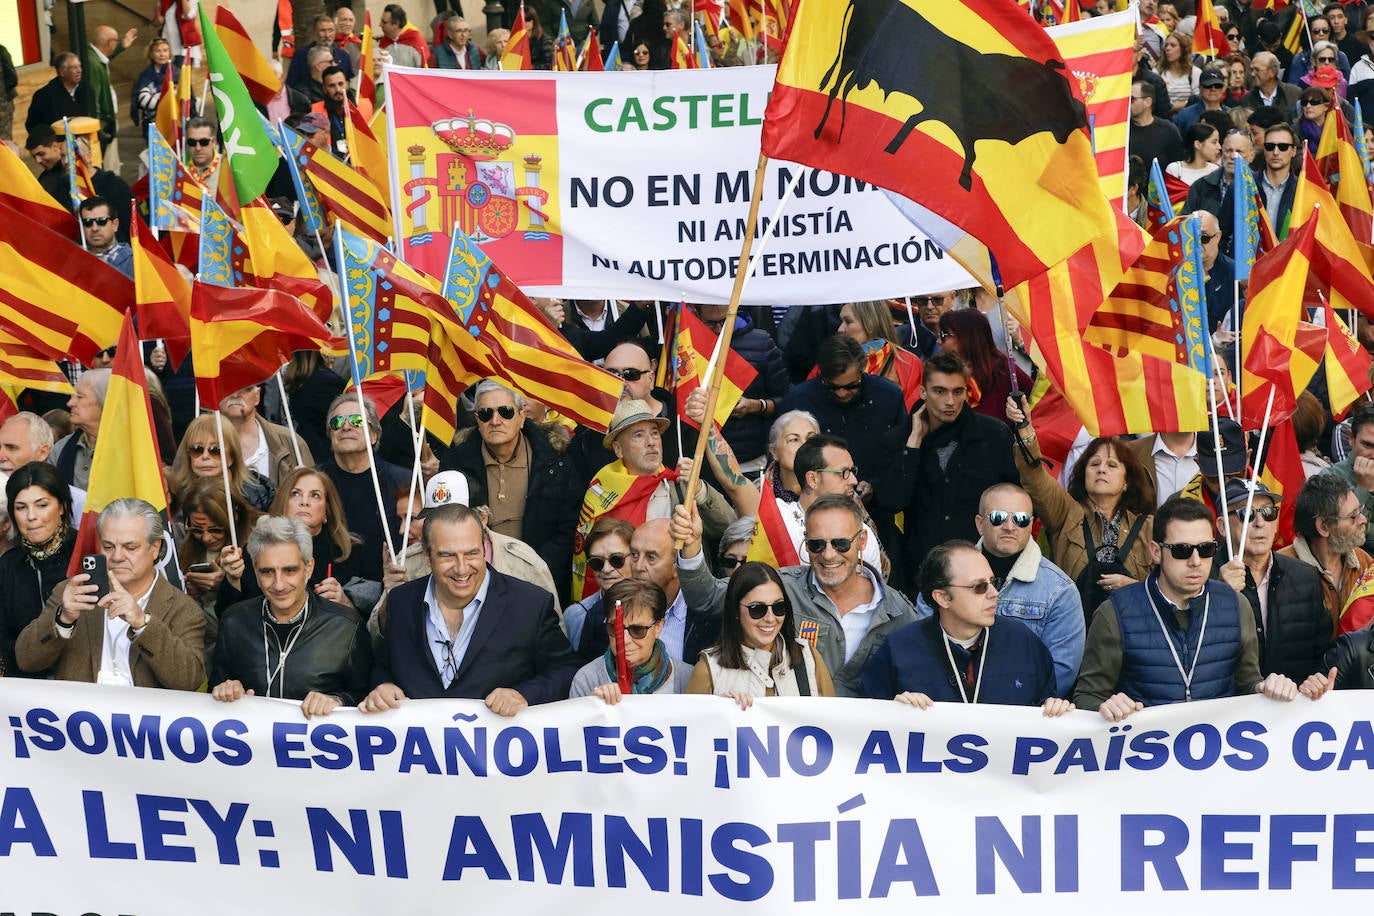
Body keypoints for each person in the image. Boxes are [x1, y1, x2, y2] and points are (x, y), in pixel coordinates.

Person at [1074, 496, 1323, 720]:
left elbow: (1246, 682)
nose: (1195, 561)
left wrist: (1264, 687)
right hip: (1146, 759)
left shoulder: (1236, 605)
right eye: (1182, 551)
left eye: (1205, 549)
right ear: (1156, 552)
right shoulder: (1115, 613)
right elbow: (1087, 697)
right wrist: (1107, 705)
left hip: (1215, 761)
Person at [673, 493, 920, 697]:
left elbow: (923, 677)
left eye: (841, 543)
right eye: (817, 544)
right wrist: (693, 546)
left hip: (868, 748)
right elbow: (705, 597)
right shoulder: (781, 587)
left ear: (862, 540)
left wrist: (911, 700)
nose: (829, 554)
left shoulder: (899, 612)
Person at [361, 503, 578, 713]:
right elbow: (383, 665)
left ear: (485, 548)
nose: (462, 568)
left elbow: (566, 670)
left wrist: (524, 695)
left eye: (472, 553)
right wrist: (383, 685)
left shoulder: (531, 604)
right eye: (447, 555)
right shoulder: (401, 602)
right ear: (427, 555)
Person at [14, 498, 205, 690]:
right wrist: (63, 619)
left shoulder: (183, 608)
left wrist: (142, 623)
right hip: (79, 716)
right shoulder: (74, 593)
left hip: (141, 718)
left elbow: (189, 681)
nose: (117, 556)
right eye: (108, 547)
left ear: (155, 548)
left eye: (130, 547)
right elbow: (26, 661)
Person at [862, 541, 1070, 715]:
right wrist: (893, 711)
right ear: (942, 598)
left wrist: (1055, 708)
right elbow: (865, 722)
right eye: (979, 587)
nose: (994, 593)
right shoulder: (899, 649)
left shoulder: (1023, 642)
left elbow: (1047, 704)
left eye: (993, 581)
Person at [875, 351, 1019, 590]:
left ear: (966, 392)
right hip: (922, 571)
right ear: (923, 392)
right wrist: (913, 445)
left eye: (957, 392)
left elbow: (1012, 499)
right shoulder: (898, 439)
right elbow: (891, 501)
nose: (950, 401)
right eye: (940, 391)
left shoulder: (994, 436)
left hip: (983, 567)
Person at [1007, 397, 1156, 614]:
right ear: (1083, 475)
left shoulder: (1149, 527)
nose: (1101, 469)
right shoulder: (1065, 513)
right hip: (1072, 630)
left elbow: (1170, 586)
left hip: (1134, 633)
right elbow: (1034, 476)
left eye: (1112, 465)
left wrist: (1135, 588)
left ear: (1126, 482)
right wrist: (1025, 427)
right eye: (1094, 464)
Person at [211, 516, 372, 717]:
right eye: (267, 572)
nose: (279, 584)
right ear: (255, 571)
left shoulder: (346, 627)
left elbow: (367, 695)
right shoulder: (234, 622)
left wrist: (337, 700)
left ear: (309, 568)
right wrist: (225, 690)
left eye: (289, 570)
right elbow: (213, 691)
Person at [441, 379, 580, 599]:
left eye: (505, 412)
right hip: (475, 583)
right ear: (477, 419)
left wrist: (533, 571)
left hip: (539, 582)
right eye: (486, 414)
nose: (495, 421)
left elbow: (567, 527)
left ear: (522, 417)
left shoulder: (556, 460)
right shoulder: (456, 463)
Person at [963, 483, 1086, 696]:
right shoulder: (946, 576)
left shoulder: (1060, 590)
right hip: (952, 713)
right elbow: (928, 652)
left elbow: (1060, 674)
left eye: (1020, 519)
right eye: (998, 517)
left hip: (1024, 718)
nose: (1010, 527)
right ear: (980, 524)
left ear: (1031, 525)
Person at [1214, 479, 1334, 684]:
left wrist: (1316, 681)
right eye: (1247, 514)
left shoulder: (1306, 577)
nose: (1260, 522)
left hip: (1293, 708)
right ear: (1223, 526)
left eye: (1268, 513)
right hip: (1228, 710)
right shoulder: (1203, 579)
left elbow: (1322, 653)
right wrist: (1217, 596)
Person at [686, 560, 835, 706]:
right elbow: (690, 728)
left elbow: (830, 723)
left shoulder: (809, 658)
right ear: (735, 610)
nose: (770, 618)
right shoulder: (708, 670)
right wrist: (722, 713)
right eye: (757, 609)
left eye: (778, 607)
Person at [778, 334, 907, 489]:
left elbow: (901, 453)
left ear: (862, 372)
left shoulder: (889, 397)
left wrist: (875, 485)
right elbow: (783, 459)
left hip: (878, 501)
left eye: (851, 386)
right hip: (817, 499)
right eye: (832, 387)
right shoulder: (798, 401)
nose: (842, 393)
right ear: (822, 375)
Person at [316, 394, 408, 583]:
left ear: (374, 435)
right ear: (330, 434)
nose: (346, 426)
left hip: (389, 589)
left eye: (357, 421)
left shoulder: (404, 481)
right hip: (329, 592)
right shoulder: (314, 484)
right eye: (337, 422)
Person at [694, 302, 792, 470]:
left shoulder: (761, 343)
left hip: (751, 459)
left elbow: (788, 399)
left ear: (736, 312)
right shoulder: (687, 343)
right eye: (710, 323)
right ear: (697, 316)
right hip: (703, 459)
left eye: (725, 322)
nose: (718, 329)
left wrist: (756, 406)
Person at [0, 464, 76, 678]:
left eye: (42, 505)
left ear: (61, 506)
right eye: (21, 507)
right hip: (27, 694)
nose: (31, 516)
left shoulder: (85, 552)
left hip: (83, 689)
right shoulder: (9, 565)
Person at [1279, 473, 1374, 636]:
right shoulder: (1280, 570)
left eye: (1361, 511)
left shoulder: (1365, 562)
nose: (1363, 519)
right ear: (1323, 527)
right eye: (1353, 516)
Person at [781, 434, 888, 575]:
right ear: (813, 479)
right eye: (844, 472)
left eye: (852, 471)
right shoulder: (780, 520)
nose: (854, 480)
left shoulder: (861, 532)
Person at [570, 578, 691, 702]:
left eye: (637, 629)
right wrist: (593, 707)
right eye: (614, 628)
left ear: (658, 627)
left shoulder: (687, 678)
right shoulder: (587, 680)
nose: (624, 640)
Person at [176, 476, 259, 636]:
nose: (206, 538)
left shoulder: (259, 542)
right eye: (197, 530)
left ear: (234, 516)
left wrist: (227, 584)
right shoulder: (187, 546)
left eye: (215, 530)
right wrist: (186, 590)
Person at [935, 309, 1032, 423]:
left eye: (943, 335)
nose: (938, 341)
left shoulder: (1006, 373)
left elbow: (1037, 405)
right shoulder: (940, 376)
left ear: (965, 339)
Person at [169, 413, 274, 513]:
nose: (205, 456)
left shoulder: (260, 496)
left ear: (232, 457)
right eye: (197, 449)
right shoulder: (175, 497)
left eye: (215, 450)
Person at [564, 516, 634, 657]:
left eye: (616, 559)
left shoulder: (661, 609)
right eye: (597, 562)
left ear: (635, 557)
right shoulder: (576, 616)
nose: (606, 569)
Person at [219, 384, 313, 488]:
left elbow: (314, 495)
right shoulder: (201, 443)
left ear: (257, 396)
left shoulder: (291, 442)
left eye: (245, 388)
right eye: (227, 388)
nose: (236, 395)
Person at [835, 300, 922, 410]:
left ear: (870, 324)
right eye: (841, 321)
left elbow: (911, 413)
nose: (840, 329)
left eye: (848, 322)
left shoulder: (908, 363)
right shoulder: (831, 360)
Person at [1319, 401, 1374, 554]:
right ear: (1351, 438)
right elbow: (1343, 538)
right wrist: (1364, 489)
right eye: (1368, 445)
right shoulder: (1328, 480)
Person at [84, 23, 138, 171]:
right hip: (102, 125)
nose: (116, 45)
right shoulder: (93, 64)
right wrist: (100, 130)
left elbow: (106, 57)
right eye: (116, 42)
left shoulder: (94, 56)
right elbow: (93, 100)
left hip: (104, 121)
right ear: (110, 43)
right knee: (108, 163)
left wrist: (122, 46)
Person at [53, 369, 111, 490]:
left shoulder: (129, 451)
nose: (70, 403)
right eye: (72, 396)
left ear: (106, 401)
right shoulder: (61, 449)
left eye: (79, 396)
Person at [1185, 129, 1252, 219]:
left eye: (1239, 152)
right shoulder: (1201, 186)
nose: (1233, 156)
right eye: (1228, 150)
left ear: (1251, 156)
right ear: (1222, 152)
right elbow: (1185, 225)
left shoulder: (1259, 187)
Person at [25, 52, 86, 139]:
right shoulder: (44, 96)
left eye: (79, 66)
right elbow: (33, 126)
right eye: (74, 67)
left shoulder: (86, 91)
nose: (79, 70)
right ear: (62, 72)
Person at [286, 14, 354, 90]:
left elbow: (349, 84)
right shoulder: (301, 55)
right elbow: (291, 84)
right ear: (315, 32)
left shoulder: (344, 56)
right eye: (323, 30)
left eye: (330, 30)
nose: (327, 35)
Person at [1129, 80, 1186, 172]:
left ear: (1148, 102)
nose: (1127, 103)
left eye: (1132, 99)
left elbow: (1178, 167)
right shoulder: (1122, 129)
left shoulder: (1168, 131)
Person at [79, 197, 132, 279]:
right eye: (88, 222)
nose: (94, 228)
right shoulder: (73, 262)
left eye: (101, 221)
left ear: (115, 225)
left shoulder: (137, 262)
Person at [132, 38, 177, 129]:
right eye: (157, 51)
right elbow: (136, 99)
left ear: (170, 53)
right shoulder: (144, 75)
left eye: (165, 50)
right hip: (151, 120)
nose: (162, 54)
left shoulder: (177, 73)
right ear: (151, 54)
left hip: (173, 120)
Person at [1174, 68, 1232, 136]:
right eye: (1208, 85)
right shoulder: (1184, 116)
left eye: (1217, 86)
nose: (1213, 89)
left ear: (1223, 88)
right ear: (1199, 87)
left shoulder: (1231, 114)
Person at [1157, 30, 1202, 113]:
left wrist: (1175, 107)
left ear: (1183, 49)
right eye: (1166, 45)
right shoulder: (1158, 72)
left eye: (1173, 45)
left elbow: (1198, 99)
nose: (1168, 48)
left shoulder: (1194, 73)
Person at [1167, 122, 1222, 187]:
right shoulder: (1175, 169)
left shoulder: (1216, 170)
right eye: (1214, 142)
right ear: (1198, 144)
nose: (1219, 147)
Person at [183, 117, 223, 195]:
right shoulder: (181, 170)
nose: (198, 148)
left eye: (203, 142)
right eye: (192, 142)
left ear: (213, 142)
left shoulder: (226, 168)